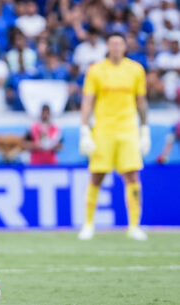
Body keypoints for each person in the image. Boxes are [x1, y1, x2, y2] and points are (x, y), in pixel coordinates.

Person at [78, 32, 150, 241]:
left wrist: (145, 130)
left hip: (128, 130)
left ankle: (134, 226)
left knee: (132, 176)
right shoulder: (96, 70)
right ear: (107, 46)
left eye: (120, 43)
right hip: (103, 130)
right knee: (97, 176)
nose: (116, 47)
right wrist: (84, 130)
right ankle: (88, 224)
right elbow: (87, 102)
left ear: (125, 46)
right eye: (112, 43)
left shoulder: (136, 70)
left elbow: (141, 102)